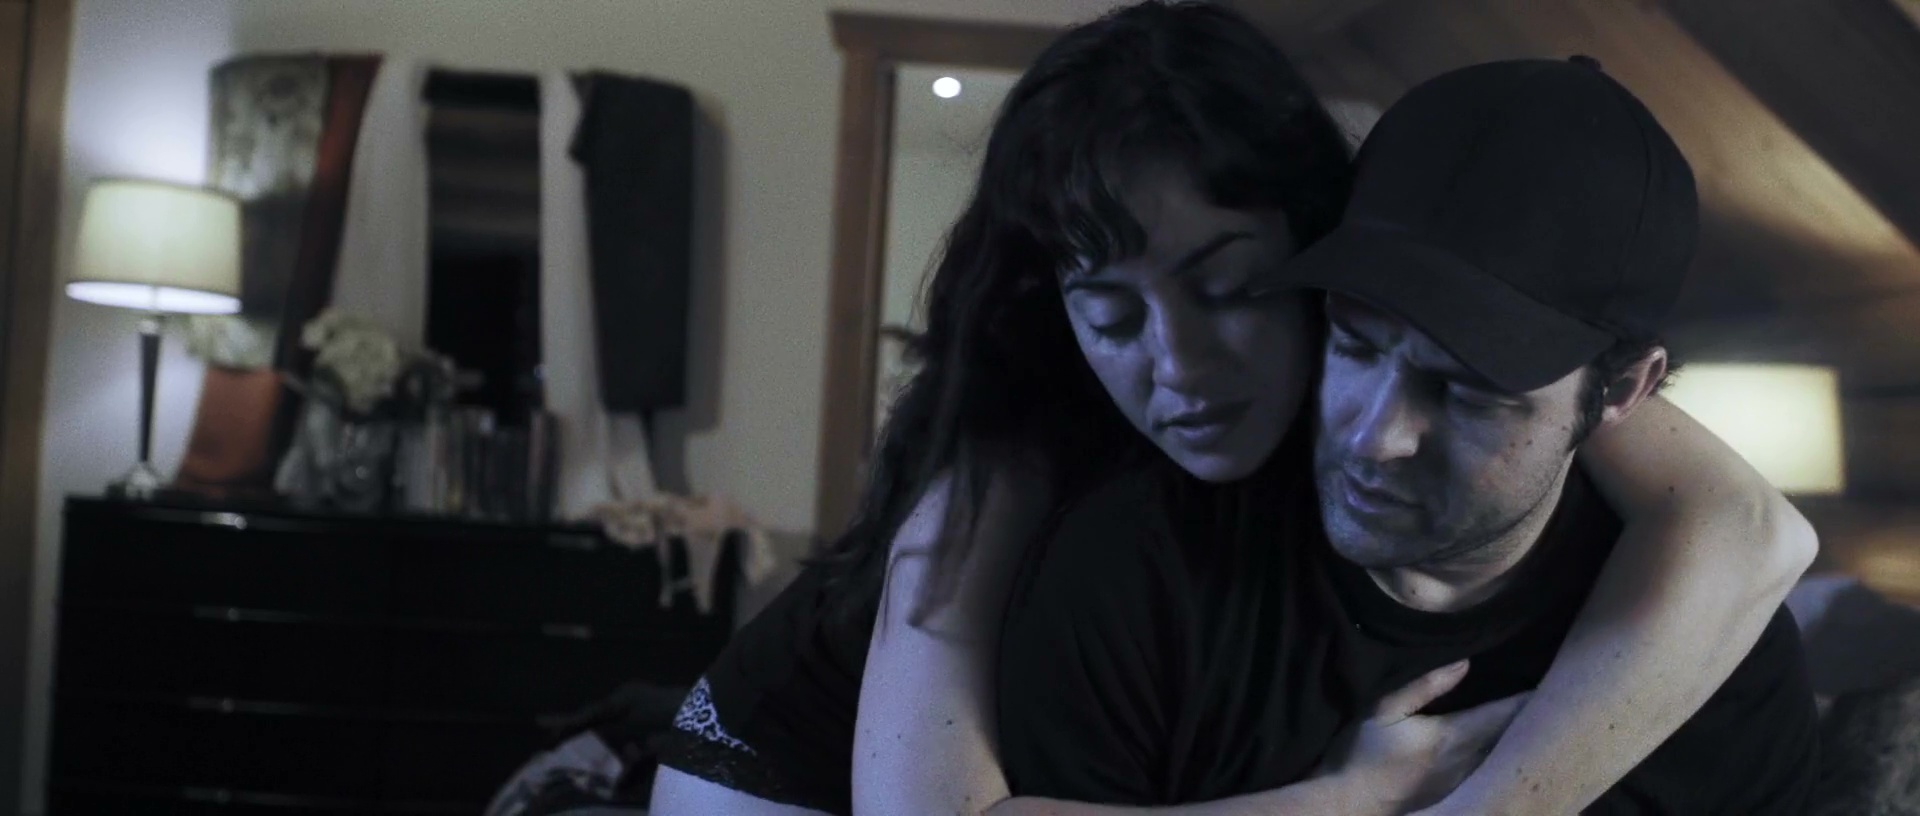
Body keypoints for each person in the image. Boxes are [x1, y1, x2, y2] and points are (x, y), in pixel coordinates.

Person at [652, 4, 1816, 815]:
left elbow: (1754, 528)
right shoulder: (1020, 463)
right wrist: (1350, 801)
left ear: (1315, 246)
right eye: (1114, 315)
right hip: (775, 765)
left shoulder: (1483, 344)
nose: (1183, 368)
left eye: (1231, 290)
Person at [981, 57, 1819, 814]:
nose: (1376, 438)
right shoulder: (1137, 574)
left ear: (1624, 389)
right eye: (1355, 344)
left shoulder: (1715, 656)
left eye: (1466, 391)